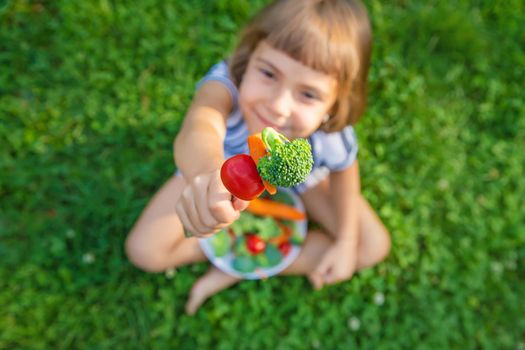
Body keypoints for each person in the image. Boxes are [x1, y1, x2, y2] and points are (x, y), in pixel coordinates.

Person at [125, 0, 390, 315]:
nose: (278, 106)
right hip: (220, 168)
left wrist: (346, 241)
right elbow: (200, 126)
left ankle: (234, 267)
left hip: (303, 184)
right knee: (144, 251)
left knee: (370, 246)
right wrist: (206, 176)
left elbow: (345, 171)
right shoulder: (225, 87)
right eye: (268, 73)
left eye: (308, 94)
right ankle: (235, 252)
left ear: (333, 105)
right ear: (248, 57)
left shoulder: (328, 133)